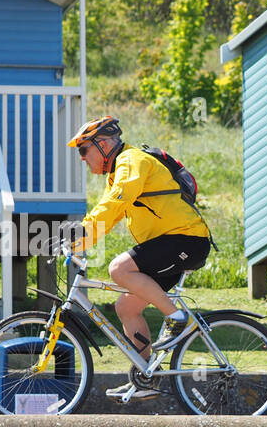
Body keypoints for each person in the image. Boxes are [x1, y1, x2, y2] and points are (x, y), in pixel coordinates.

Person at [68, 116, 211, 401]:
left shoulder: (131, 161)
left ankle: (176, 317)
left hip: (186, 239)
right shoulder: (117, 171)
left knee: (119, 269)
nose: (82, 158)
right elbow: (109, 216)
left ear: (104, 144)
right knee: (126, 308)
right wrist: (76, 243)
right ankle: (145, 377)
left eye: (84, 150)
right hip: (168, 244)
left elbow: (115, 203)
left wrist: (81, 230)